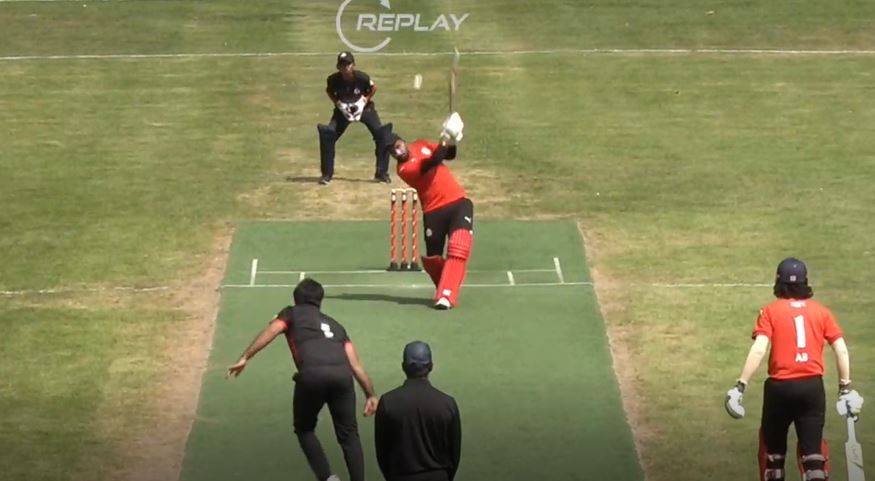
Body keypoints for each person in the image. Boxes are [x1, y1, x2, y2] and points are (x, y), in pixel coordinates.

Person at [724, 257, 864, 481]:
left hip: (779, 389)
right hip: (812, 389)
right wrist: (845, 387)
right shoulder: (822, 312)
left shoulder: (770, 311)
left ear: (778, 282)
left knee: (773, 458)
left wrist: (741, 385)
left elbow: (759, 349)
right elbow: (841, 350)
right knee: (814, 457)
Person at [227, 278, 380, 481]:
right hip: (342, 377)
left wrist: (245, 357)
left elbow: (273, 330)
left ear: (296, 299)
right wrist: (371, 395)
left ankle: (328, 478)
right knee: (349, 435)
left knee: (304, 428)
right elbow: (356, 365)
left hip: (312, 375)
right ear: (320, 301)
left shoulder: (290, 313)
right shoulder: (337, 326)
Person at [381, 112, 471, 310]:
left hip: (457, 201)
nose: (397, 152)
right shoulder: (404, 169)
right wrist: (445, 135)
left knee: (459, 245)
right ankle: (446, 285)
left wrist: (453, 138)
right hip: (433, 211)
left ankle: (446, 295)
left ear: (402, 142)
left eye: (397, 146)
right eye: (392, 152)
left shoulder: (421, 144)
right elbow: (433, 161)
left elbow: (448, 154)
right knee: (433, 259)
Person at [374, 341, 462, 481]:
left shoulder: (387, 402)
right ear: (431, 366)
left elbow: (382, 451)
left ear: (403, 366)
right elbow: (454, 452)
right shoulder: (447, 404)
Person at [317, 51, 391, 185]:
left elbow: (373, 87)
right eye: (342, 65)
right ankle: (326, 175)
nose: (345, 68)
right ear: (338, 67)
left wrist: (364, 100)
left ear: (353, 65)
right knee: (328, 135)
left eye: (348, 64)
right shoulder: (333, 80)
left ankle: (382, 173)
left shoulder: (362, 78)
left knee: (382, 135)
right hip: (343, 110)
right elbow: (329, 91)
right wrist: (338, 104)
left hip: (364, 109)